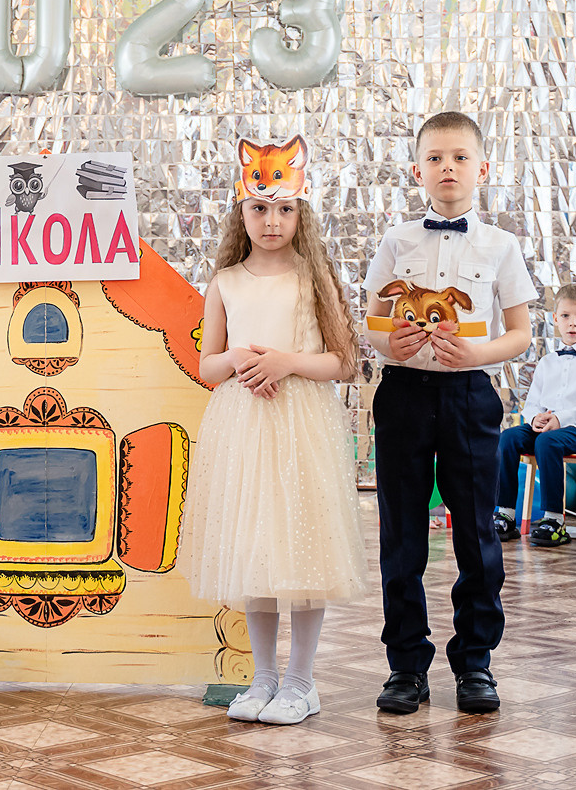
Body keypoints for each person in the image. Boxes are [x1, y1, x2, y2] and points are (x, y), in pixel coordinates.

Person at [179, 137, 365, 726]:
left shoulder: (315, 278)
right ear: (241, 211)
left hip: (300, 426)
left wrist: (285, 362)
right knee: (255, 549)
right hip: (244, 428)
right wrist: (239, 360)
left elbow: (345, 361)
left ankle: (302, 681)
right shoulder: (225, 283)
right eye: (260, 208)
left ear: (301, 211)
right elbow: (207, 366)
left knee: (303, 550)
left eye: (284, 209)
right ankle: (262, 677)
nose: (272, 220)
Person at [363, 112, 537, 716]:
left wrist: (477, 353)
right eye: (435, 157)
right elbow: (372, 322)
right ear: (417, 169)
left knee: (477, 534)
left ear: (481, 168)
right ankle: (406, 664)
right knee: (403, 534)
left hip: (470, 397)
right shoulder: (396, 241)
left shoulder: (500, 245)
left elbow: (519, 333)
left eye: (460, 157)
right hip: (405, 394)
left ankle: (475, 663)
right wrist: (393, 342)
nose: (448, 168)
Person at [493, 284, 576, 548]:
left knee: (547, 442)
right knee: (509, 438)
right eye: (566, 316)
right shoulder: (548, 361)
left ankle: (554, 520)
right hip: (545, 426)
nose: (574, 323)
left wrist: (560, 419)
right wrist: (534, 417)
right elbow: (533, 401)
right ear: (556, 319)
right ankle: (505, 514)